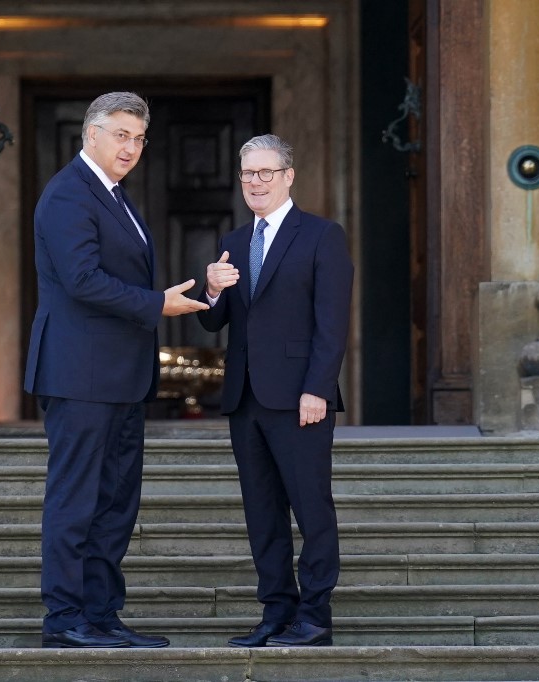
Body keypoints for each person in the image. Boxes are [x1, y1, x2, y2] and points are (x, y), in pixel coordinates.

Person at [24, 91, 208, 649]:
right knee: (77, 500)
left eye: (138, 138)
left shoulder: (114, 197)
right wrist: (158, 305)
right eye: (120, 134)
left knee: (113, 503)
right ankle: (65, 619)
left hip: (120, 378)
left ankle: (101, 614)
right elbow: (81, 281)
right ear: (91, 135)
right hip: (80, 377)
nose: (131, 147)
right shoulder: (67, 195)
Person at [197, 134, 353, 647]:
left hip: (300, 399)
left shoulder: (322, 236)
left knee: (311, 508)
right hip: (245, 399)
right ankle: (275, 612)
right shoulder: (236, 240)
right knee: (262, 512)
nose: (255, 183)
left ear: (288, 176)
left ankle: (314, 616)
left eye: (266, 173)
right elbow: (216, 321)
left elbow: (331, 324)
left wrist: (318, 389)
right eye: (247, 174)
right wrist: (214, 289)